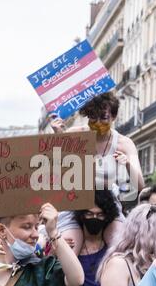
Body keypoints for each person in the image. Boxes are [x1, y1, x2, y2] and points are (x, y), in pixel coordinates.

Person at [49, 92, 145, 255]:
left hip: (107, 206)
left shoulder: (123, 143)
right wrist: (59, 136)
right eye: (93, 117)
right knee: (67, 249)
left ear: (113, 117)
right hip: (75, 204)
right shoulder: (75, 134)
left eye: (103, 117)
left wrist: (127, 163)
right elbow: (59, 171)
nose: (98, 122)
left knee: (123, 248)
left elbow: (140, 186)